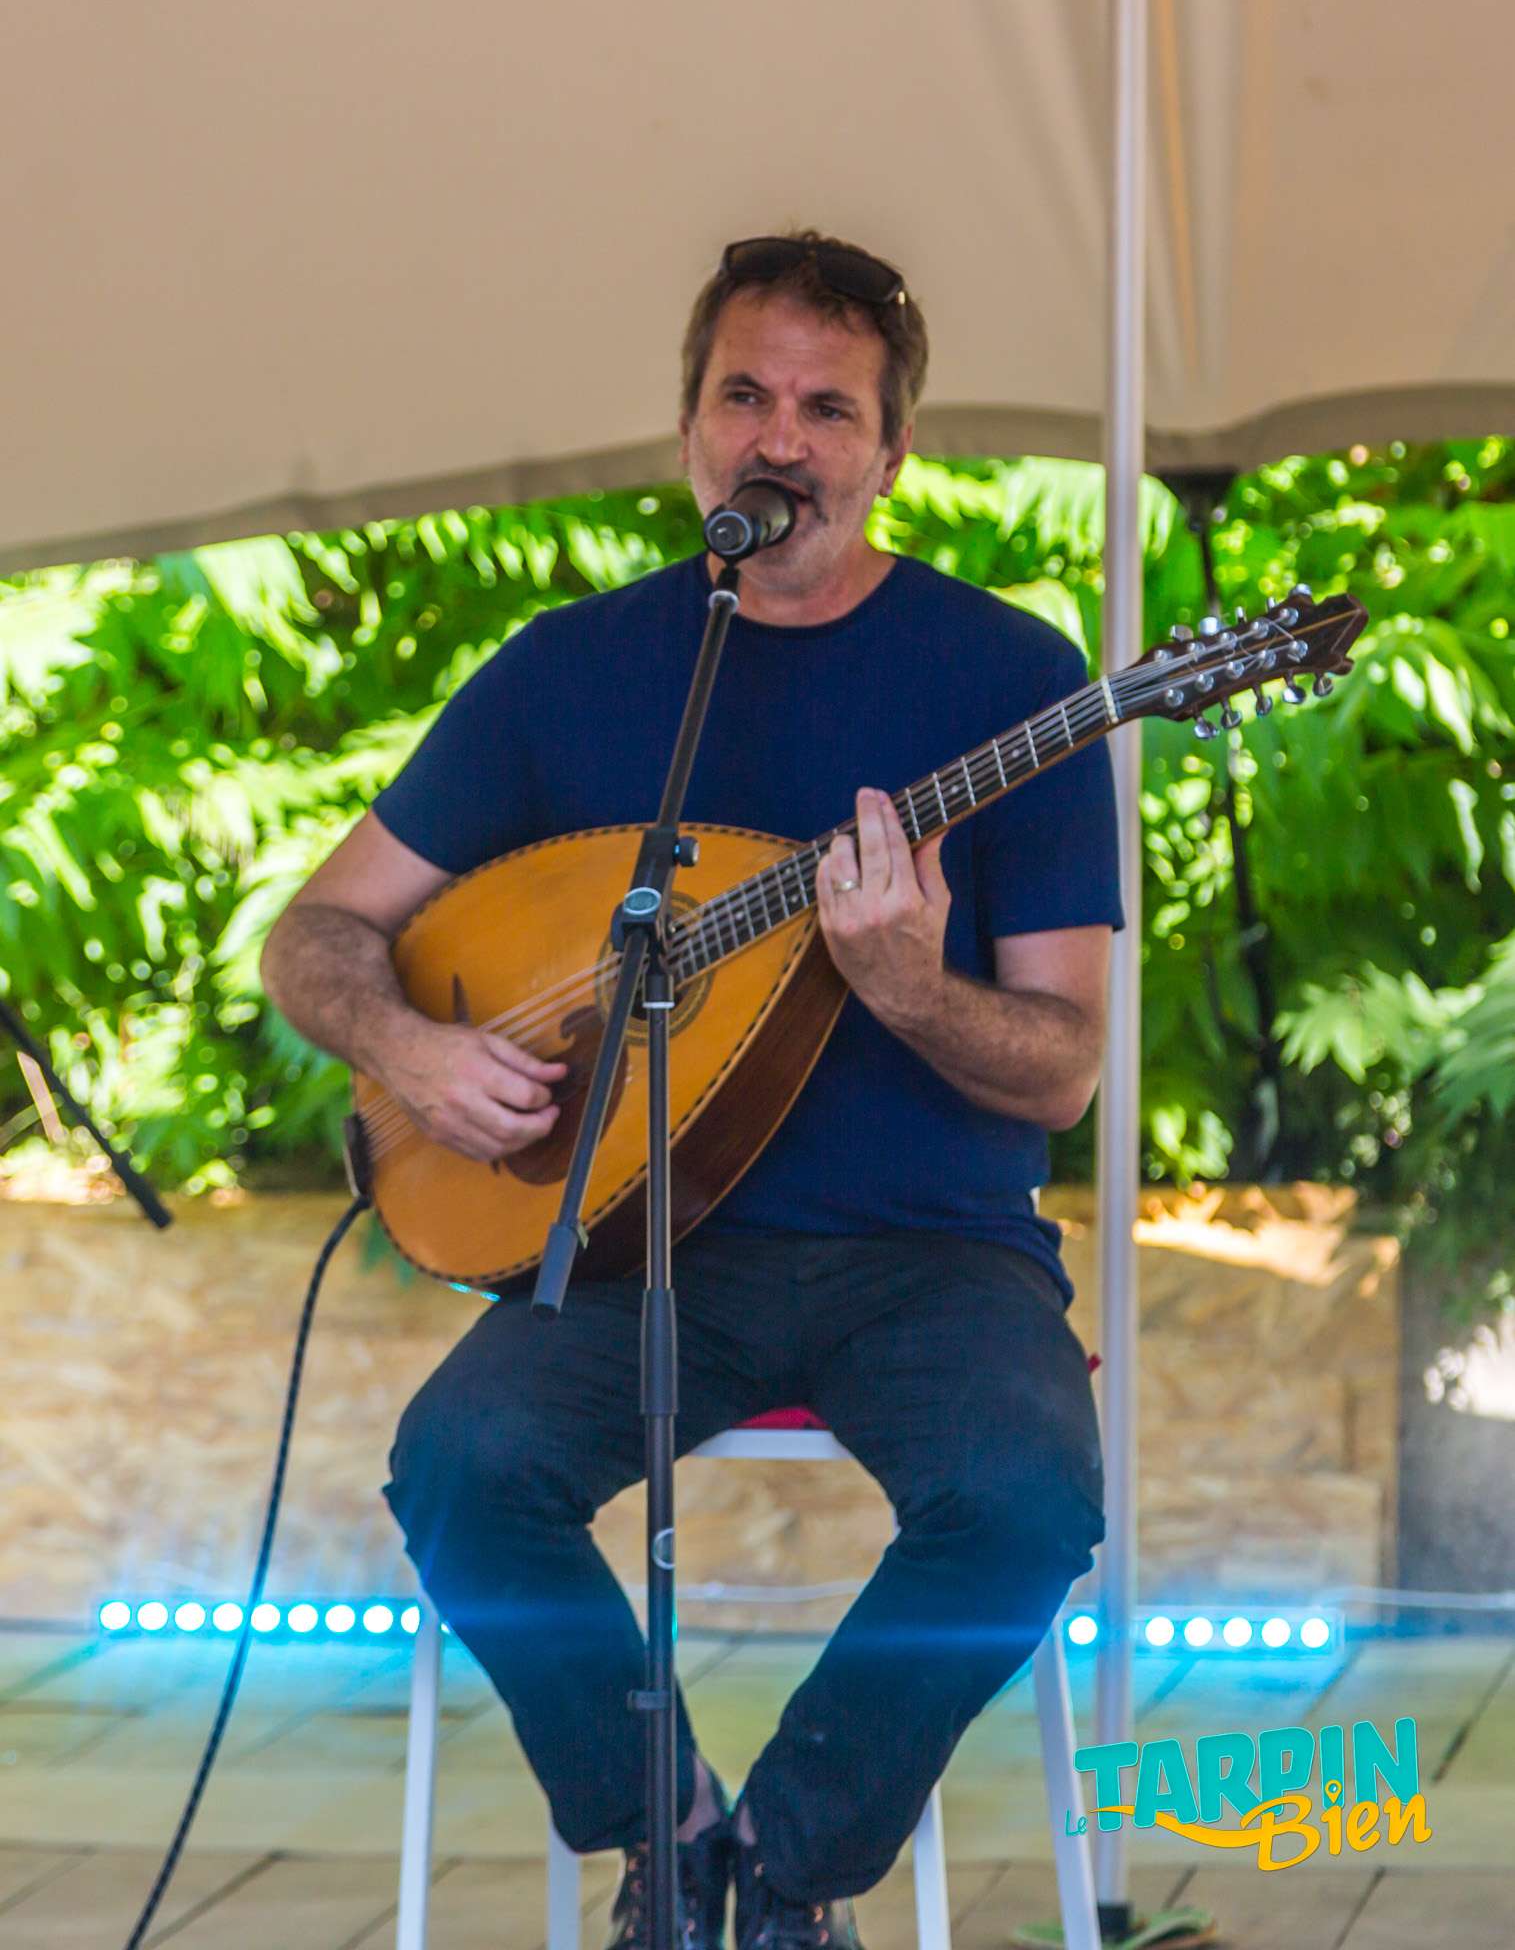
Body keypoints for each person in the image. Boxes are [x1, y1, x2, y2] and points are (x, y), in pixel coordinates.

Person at [260, 230, 1121, 1950]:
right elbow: (315, 936)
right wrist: (412, 1049)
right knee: (461, 1468)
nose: (779, 438)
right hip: (639, 1244)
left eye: (828, 408)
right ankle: (664, 1821)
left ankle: (786, 1869)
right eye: (745, 396)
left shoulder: (1014, 681)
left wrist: (904, 986)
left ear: (893, 454)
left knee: (1026, 1501)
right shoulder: (569, 671)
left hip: (933, 1253)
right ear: (688, 432)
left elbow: (1066, 1067)